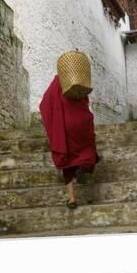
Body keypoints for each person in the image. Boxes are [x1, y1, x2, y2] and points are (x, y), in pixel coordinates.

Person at [39, 74, 100, 209]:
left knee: (68, 161)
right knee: (86, 148)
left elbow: (44, 104)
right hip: (83, 122)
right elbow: (86, 100)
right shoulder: (79, 80)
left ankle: (71, 199)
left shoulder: (57, 81)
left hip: (66, 125)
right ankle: (83, 169)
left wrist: (51, 122)